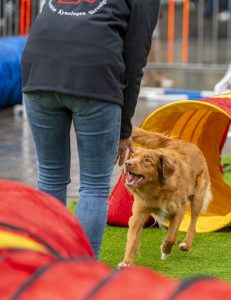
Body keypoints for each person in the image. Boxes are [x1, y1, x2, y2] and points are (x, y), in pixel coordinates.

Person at [21, 0, 160, 259]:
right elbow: (135, 59)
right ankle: (82, 272)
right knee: (94, 186)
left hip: (38, 73)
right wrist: (124, 126)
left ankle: (46, 265)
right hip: (94, 77)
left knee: (50, 177)